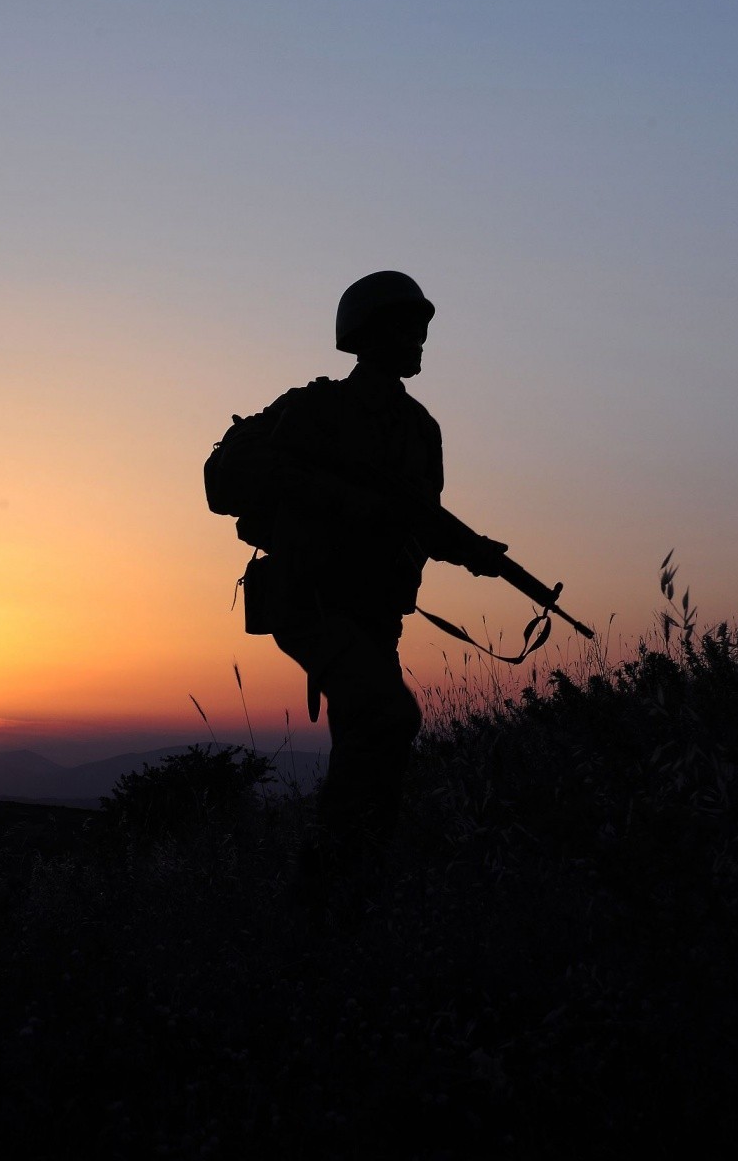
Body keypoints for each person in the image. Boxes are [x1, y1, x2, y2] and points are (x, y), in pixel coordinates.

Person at [205, 271, 510, 886]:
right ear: (368, 334)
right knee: (387, 715)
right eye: (406, 327)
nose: (419, 340)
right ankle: (327, 876)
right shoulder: (314, 410)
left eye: (422, 329)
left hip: (376, 613)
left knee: (368, 736)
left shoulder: (420, 430)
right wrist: (344, 502)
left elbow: (418, 521)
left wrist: (473, 551)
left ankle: (361, 873)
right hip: (311, 601)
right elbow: (222, 482)